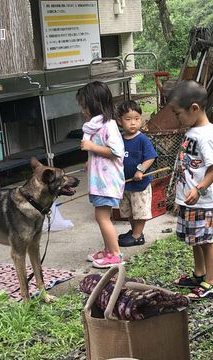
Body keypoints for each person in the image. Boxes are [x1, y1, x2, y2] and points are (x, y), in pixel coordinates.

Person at [169, 80, 213, 299]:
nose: (177, 119)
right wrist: (179, 195)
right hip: (188, 199)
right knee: (195, 240)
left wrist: (199, 189)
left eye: (178, 113)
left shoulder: (206, 136)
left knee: (206, 241)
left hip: (200, 200)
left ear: (194, 108)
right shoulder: (193, 130)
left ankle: (212, 282)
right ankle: (199, 274)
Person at [77, 81, 125, 268]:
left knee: (102, 217)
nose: (82, 110)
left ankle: (114, 254)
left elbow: (116, 151)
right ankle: (108, 250)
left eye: (84, 106)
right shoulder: (96, 126)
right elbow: (100, 151)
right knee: (102, 216)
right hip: (100, 180)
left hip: (107, 182)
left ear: (95, 104)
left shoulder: (109, 125)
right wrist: (91, 160)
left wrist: (92, 147)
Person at [116, 100, 157, 247]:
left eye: (136, 119)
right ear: (120, 121)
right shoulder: (119, 139)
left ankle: (137, 236)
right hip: (126, 184)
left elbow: (150, 157)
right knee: (129, 211)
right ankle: (134, 231)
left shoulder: (142, 139)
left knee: (140, 212)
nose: (133, 123)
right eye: (128, 119)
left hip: (140, 184)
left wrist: (140, 170)